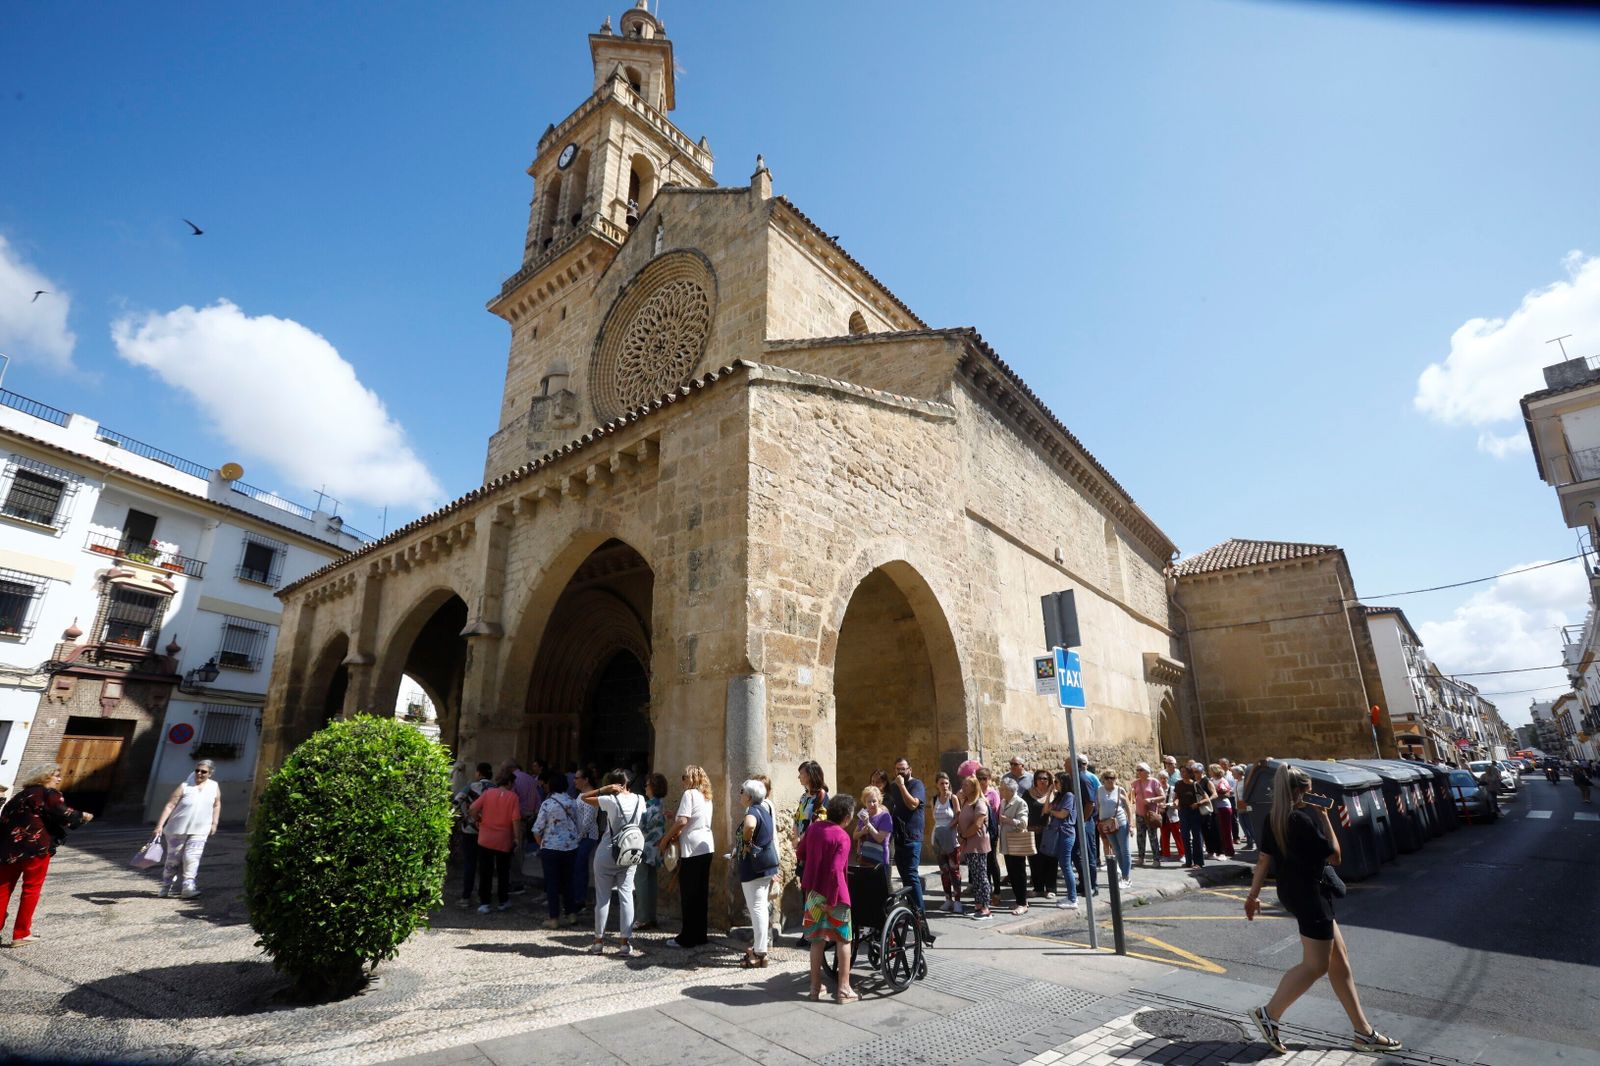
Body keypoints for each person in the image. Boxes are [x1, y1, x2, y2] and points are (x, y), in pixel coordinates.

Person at [1245, 765, 1402, 1055]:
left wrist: (1253, 896)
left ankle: (1362, 1031)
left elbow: (1264, 858)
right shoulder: (1301, 821)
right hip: (1311, 897)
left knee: (1339, 961)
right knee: (1315, 966)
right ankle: (1269, 1015)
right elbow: (1336, 856)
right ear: (1300, 791)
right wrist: (1325, 817)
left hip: (1293, 893)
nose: (1311, 794)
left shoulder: (1273, 818)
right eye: (1307, 790)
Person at [0, 764, 92, 947]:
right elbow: (63, 813)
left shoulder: (19, 796)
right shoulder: (48, 793)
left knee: (2, 889)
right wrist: (83, 816)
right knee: (31, 889)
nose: (59, 779)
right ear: (44, 777)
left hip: (8, 849)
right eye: (56, 775)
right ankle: (21, 934)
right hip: (36, 848)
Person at [797, 793, 858, 1002]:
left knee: (816, 940)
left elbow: (800, 852)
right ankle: (843, 989)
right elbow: (835, 870)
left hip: (813, 893)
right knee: (843, 939)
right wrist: (832, 902)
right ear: (847, 818)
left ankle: (815, 988)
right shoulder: (842, 836)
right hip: (836, 895)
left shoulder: (814, 828)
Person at [580, 768, 646, 957]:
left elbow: (584, 798)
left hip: (608, 851)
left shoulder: (609, 800)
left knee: (603, 898)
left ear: (614, 783)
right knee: (626, 896)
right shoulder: (640, 800)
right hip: (629, 851)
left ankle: (598, 942)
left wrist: (603, 789)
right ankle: (625, 943)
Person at [658, 765, 714, 949]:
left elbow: (683, 821)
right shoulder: (706, 797)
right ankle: (700, 934)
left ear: (691, 778)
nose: (682, 780)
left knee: (689, 894)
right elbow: (693, 818)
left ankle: (687, 937)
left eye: (684, 777)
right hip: (706, 845)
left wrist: (665, 840)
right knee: (700, 893)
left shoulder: (689, 794)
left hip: (692, 847)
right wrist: (675, 815)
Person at [152, 760, 221, 899]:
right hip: (177, 829)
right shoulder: (185, 786)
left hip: (200, 829)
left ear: (210, 773)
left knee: (192, 857)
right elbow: (170, 805)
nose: (199, 773)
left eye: (203, 771)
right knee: (173, 860)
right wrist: (159, 825)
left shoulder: (214, 786)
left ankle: (188, 887)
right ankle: (166, 886)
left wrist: (214, 823)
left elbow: (216, 804)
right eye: (197, 770)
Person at [736, 778, 781, 968]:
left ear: (749, 796)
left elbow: (749, 826)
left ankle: (759, 951)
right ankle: (760, 949)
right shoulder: (764, 809)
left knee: (757, 909)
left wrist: (746, 844)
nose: (740, 795)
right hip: (764, 866)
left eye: (742, 791)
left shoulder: (753, 811)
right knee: (760, 907)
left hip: (753, 868)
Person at [531, 769, 582, 928]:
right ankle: (571, 913)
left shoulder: (548, 803)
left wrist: (541, 844)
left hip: (551, 847)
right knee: (568, 881)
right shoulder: (573, 802)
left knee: (552, 883)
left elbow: (537, 828)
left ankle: (554, 917)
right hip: (571, 846)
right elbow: (579, 825)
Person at [469, 767, 522, 913]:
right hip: (504, 839)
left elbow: (472, 808)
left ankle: (485, 902)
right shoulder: (513, 797)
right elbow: (516, 819)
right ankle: (502, 900)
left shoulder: (487, 793)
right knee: (503, 871)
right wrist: (517, 838)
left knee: (485, 871)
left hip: (485, 836)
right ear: (509, 782)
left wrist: (478, 820)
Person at [883, 756, 927, 915]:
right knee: (904, 877)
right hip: (898, 837)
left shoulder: (917, 784)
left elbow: (913, 804)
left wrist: (902, 786)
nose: (900, 772)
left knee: (911, 875)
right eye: (897, 769)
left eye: (903, 769)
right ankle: (911, 911)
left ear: (910, 769)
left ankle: (920, 915)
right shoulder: (893, 787)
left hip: (913, 837)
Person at [453, 762, 495, 907]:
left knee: (469, 864)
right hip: (488, 831)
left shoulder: (471, 786)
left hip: (470, 830)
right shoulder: (495, 789)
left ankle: (466, 896)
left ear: (479, 773)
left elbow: (457, 800)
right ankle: (482, 896)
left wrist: (464, 815)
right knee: (485, 865)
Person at [955, 774, 993, 920]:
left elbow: (977, 824)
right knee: (975, 876)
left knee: (981, 876)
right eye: (963, 785)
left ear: (973, 787)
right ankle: (978, 905)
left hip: (977, 843)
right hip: (968, 844)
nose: (963, 787)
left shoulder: (980, 803)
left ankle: (985, 908)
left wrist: (963, 836)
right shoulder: (966, 801)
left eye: (966, 785)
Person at [634, 772, 669, 930]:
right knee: (652, 883)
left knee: (641, 882)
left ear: (653, 787)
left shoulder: (648, 806)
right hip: (656, 847)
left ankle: (642, 918)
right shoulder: (661, 804)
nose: (645, 788)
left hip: (644, 847)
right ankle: (651, 916)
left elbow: (640, 827)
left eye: (647, 785)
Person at [930, 771, 963, 913]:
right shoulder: (934, 800)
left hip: (951, 838)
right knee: (944, 871)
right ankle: (947, 899)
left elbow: (958, 816)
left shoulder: (953, 798)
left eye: (946, 783)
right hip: (938, 837)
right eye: (941, 783)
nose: (944, 786)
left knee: (954, 870)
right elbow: (934, 818)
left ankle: (957, 901)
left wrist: (949, 827)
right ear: (937, 785)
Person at [998, 778, 1032, 914]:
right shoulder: (1003, 801)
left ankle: (1023, 903)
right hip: (1007, 843)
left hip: (1016, 843)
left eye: (1002, 789)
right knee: (1012, 873)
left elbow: (1023, 823)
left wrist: (1008, 820)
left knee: (1019, 873)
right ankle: (1019, 900)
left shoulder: (1020, 803)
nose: (1000, 791)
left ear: (1010, 790)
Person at [570, 766, 601, 916]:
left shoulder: (589, 795)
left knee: (579, 867)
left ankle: (580, 900)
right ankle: (578, 898)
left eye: (577, 778)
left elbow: (587, 821)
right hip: (581, 836)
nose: (574, 781)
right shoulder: (581, 794)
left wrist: (577, 838)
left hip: (586, 836)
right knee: (578, 868)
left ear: (586, 779)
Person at [1047, 772, 1079, 912]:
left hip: (1065, 833)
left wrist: (1052, 812)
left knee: (1066, 865)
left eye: (1057, 782)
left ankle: (1073, 898)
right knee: (1064, 864)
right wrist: (1049, 793)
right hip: (1058, 833)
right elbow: (1046, 808)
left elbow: (1063, 814)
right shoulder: (1059, 796)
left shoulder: (1069, 796)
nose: (1055, 784)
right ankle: (1070, 896)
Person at [1095, 768, 1132, 887]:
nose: (1110, 780)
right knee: (1116, 850)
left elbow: (1128, 808)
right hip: (1106, 824)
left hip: (1120, 823)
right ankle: (1123, 874)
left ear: (1116, 779)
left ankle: (1126, 877)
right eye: (1107, 778)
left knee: (1124, 850)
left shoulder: (1120, 790)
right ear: (1103, 779)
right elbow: (1098, 806)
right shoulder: (1099, 790)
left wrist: (1130, 825)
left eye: (1112, 778)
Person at [1024, 770, 1057, 899]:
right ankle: (1038, 888)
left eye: (1045, 778)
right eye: (1039, 778)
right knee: (1034, 860)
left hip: (1049, 832)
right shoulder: (1028, 794)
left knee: (1050, 860)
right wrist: (1028, 827)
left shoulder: (1055, 795)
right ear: (1035, 780)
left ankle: (1050, 888)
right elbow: (1023, 811)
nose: (1042, 780)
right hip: (1032, 831)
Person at [1177, 763, 1214, 868]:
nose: (1182, 773)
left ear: (1189, 773)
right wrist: (1175, 803)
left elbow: (1206, 798)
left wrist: (1198, 804)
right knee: (1185, 837)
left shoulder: (1195, 784)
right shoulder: (1178, 784)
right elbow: (1176, 797)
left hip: (1194, 813)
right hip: (1183, 813)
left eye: (1184, 771)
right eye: (1181, 772)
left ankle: (1198, 862)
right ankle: (1188, 861)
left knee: (1197, 837)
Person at [974, 766, 1003, 896]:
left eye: (984, 778)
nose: (981, 781)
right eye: (979, 778)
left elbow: (996, 813)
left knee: (991, 860)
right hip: (977, 832)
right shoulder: (974, 793)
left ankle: (997, 889)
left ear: (989, 779)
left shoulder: (993, 794)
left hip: (990, 831)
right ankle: (986, 888)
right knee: (981, 862)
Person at [1131, 763, 1165, 868]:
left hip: (1150, 814)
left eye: (1141, 770)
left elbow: (1162, 796)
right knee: (1140, 837)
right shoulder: (1135, 783)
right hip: (1139, 814)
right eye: (1137, 770)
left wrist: (1151, 800)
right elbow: (1132, 797)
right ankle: (1141, 858)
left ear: (1147, 771)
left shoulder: (1154, 782)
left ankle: (1156, 859)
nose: (1138, 772)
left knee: (1153, 837)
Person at [853, 785, 892, 874]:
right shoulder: (863, 813)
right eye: (868, 801)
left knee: (880, 886)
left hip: (879, 858)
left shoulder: (885, 816)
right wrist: (862, 832)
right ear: (864, 802)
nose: (871, 804)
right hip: (865, 857)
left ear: (879, 801)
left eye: (874, 801)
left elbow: (879, 838)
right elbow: (855, 836)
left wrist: (868, 824)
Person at [1210, 763, 1237, 859]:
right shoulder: (1212, 780)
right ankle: (1222, 849)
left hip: (1224, 807)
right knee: (1219, 830)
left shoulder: (1222, 780)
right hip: (1216, 808)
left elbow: (1228, 794)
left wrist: (1216, 793)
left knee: (1226, 830)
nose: (1209, 772)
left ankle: (1229, 850)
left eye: (1211, 770)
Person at [1233, 764, 1257, 849]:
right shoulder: (1236, 782)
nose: (1232, 774)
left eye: (1234, 773)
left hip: (1246, 805)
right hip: (1239, 806)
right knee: (1243, 825)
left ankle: (1257, 843)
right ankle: (1249, 843)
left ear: (1239, 773)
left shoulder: (1245, 781)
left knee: (1249, 825)